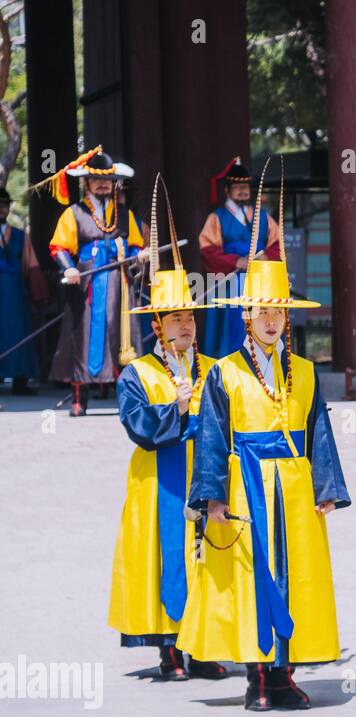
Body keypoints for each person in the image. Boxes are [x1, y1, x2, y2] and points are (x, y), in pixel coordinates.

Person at [178, 254, 349, 712]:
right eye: (262, 311)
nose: (271, 320)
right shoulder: (225, 371)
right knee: (252, 576)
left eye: (279, 311)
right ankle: (257, 677)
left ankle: (284, 675)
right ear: (246, 315)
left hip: (293, 487)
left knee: (295, 577)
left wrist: (326, 487)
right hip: (245, 485)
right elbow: (212, 436)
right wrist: (212, 497)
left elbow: (319, 432)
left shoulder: (306, 372)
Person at [109, 181, 231, 680]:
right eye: (174, 319)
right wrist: (177, 412)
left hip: (205, 481)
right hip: (159, 479)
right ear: (156, 327)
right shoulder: (136, 375)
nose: (185, 326)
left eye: (190, 318)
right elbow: (138, 427)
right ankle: (169, 649)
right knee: (167, 556)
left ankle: (203, 646)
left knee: (206, 555)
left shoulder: (216, 369)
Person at [42, 149, 144, 416]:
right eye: (97, 180)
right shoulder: (73, 213)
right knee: (83, 336)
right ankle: (79, 399)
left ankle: (126, 399)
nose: (102, 184)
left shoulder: (124, 214)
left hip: (119, 283)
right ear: (86, 183)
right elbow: (59, 248)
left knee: (121, 337)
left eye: (107, 180)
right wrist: (70, 268)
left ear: (113, 184)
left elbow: (135, 246)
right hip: (86, 286)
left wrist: (138, 255)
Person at [198, 157, 283, 357]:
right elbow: (207, 249)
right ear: (227, 190)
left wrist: (266, 258)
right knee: (233, 325)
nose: (243, 190)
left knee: (262, 320)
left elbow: (277, 244)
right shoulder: (217, 218)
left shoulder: (263, 217)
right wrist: (237, 261)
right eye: (237, 186)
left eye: (245, 186)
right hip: (231, 280)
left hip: (260, 279)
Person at [0, 187, 49, 394]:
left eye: (4, 206)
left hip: (14, 293)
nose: (1, 210)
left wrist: (39, 294)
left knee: (18, 334)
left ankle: (20, 380)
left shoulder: (21, 236)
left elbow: (31, 265)